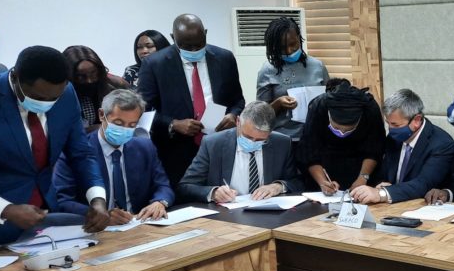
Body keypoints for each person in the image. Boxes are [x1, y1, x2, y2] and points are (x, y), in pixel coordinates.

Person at [0, 46, 110, 245]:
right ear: (16, 78)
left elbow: (81, 154)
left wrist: (97, 199)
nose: (47, 104)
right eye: (39, 98)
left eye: (54, 98)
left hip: (45, 223)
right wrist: (6, 209)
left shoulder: (66, 92)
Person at [138, 14, 246, 187]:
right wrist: (173, 124)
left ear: (205, 33)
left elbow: (238, 100)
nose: (194, 50)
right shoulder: (154, 64)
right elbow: (143, 111)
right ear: (173, 38)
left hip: (219, 145)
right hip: (177, 152)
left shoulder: (224, 58)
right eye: (187, 46)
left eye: (199, 45)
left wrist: (233, 115)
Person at [53, 89, 174, 224]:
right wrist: (99, 214)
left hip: (137, 223)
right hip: (94, 228)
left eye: (132, 125)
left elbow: (163, 186)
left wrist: (160, 202)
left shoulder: (145, 147)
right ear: (101, 115)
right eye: (118, 123)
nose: (124, 129)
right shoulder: (75, 152)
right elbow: (62, 201)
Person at [178, 101, 303, 203]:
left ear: (270, 132)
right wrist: (214, 192)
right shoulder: (213, 144)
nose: (253, 142)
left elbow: (297, 182)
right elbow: (185, 187)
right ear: (238, 122)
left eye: (260, 139)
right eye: (247, 136)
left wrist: (278, 186)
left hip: (269, 213)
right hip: (227, 216)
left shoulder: (282, 143)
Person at [350, 89, 454, 204]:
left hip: (425, 208)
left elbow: (423, 184)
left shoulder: (442, 144)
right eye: (388, 123)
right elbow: (383, 173)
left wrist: (382, 193)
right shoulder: (393, 138)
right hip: (394, 207)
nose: (390, 129)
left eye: (395, 124)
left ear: (416, 120)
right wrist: (382, 185)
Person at [299, 79, 385, 194]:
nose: (342, 133)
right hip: (324, 165)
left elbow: (375, 149)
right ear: (329, 116)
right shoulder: (319, 106)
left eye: (348, 130)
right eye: (337, 128)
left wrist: (363, 178)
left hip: (361, 166)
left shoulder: (369, 108)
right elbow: (308, 151)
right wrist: (322, 182)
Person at [256, 17, 330, 141]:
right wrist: (278, 103)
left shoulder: (318, 66)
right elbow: (260, 116)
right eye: (282, 48)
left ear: (299, 38)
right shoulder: (267, 70)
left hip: (316, 137)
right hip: (283, 140)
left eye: (293, 44)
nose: (289, 51)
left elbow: (331, 100)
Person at [63, 45, 130, 132]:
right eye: (81, 76)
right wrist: (93, 129)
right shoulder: (61, 94)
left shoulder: (114, 86)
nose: (89, 80)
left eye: (93, 73)